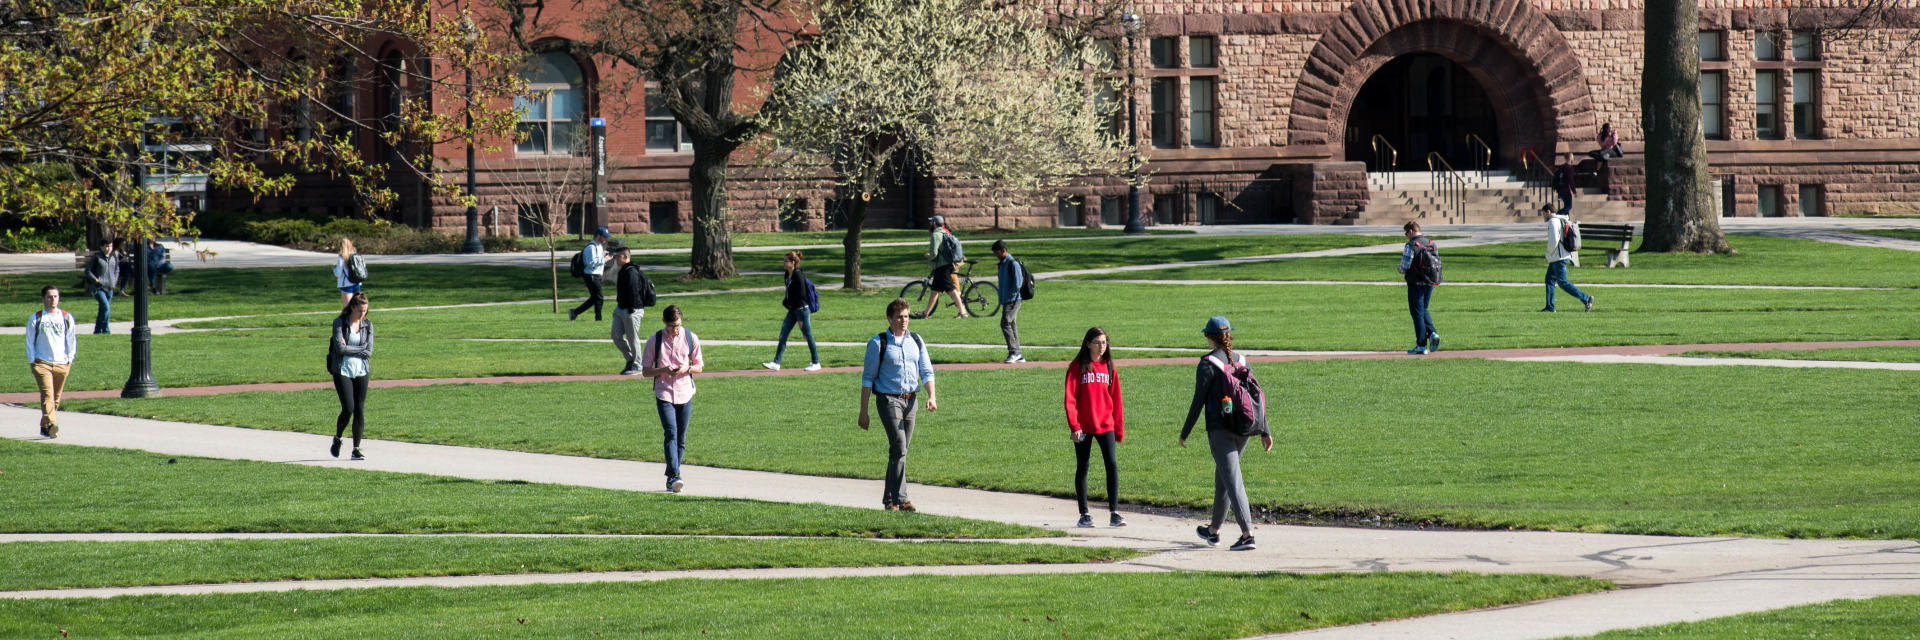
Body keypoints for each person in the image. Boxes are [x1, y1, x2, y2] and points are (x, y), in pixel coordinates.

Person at [1178, 316, 1272, 552]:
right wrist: (1264, 430)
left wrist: (1185, 433)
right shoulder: (1242, 360)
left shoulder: (1207, 364)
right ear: (1229, 336)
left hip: (1221, 431)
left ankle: (1247, 534)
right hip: (1244, 429)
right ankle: (1213, 531)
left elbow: (1197, 401)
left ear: (1209, 337)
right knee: (1223, 478)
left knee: (1232, 480)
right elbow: (1255, 396)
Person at [858, 298, 937, 511]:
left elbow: (927, 371)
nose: (904, 321)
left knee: (899, 451)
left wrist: (932, 396)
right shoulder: (878, 343)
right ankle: (901, 499)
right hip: (888, 400)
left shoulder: (917, 341)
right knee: (899, 447)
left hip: (911, 400)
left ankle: (889, 499)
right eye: (899, 317)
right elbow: (867, 379)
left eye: (906, 316)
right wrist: (863, 411)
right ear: (890, 318)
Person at [1064, 327, 1125, 528]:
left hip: (1106, 424)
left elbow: (1116, 397)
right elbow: (1070, 399)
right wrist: (1074, 426)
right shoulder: (1077, 366)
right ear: (1088, 343)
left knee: (1112, 465)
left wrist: (1119, 427)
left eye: (1104, 342)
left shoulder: (1109, 366)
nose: (1101, 346)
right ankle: (1084, 514)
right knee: (1083, 467)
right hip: (1083, 427)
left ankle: (1114, 513)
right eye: (1098, 342)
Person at [642, 305, 704, 493]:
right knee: (671, 432)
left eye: (677, 325)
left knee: (681, 438)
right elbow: (645, 371)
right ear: (664, 323)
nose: (675, 329)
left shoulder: (690, 338)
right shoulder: (655, 340)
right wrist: (663, 370)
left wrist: (687, 368)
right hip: (664, 392)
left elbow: (700, 365)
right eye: (671, 326)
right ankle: (676, 475)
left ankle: (671, 477)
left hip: (685, 391)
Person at [26, 286, 77, 438]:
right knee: (48, 394)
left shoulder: (66, 317)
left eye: (55, 297)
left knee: (55, 398)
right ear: (43, 299)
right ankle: (53, 424)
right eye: (49, 297)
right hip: (42, 363)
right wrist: (32, 361)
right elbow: (29, 341)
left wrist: (70, 359)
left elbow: (71, 340)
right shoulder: (37, 318)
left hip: (62, 362)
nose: (53, 300)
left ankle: (45, 426)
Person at [328, 292, 373, 461]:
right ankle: (338, 438)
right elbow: (340, 348)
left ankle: (356, 448)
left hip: (361, 370)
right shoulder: (339, 323)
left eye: (365, 311)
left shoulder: (368, 325)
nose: (363, 314)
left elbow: (369, 351)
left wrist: (354, 349)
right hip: (343, 370)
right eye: (360, 311)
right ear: (352, 307)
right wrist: (360, 349)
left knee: (359, 409)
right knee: (348, 408)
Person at [762, 250, 821, 372]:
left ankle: (816, 363)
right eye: (783, 261)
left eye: (786, 261)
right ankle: (776, 363)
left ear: (793, 262)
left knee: (807, 336)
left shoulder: (798, 275)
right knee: (783, 334)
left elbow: (802, 294)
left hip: (801, 310)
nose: (783, 263)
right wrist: (787, 303)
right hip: (793, 310)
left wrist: (797, 312)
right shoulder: (786, 274)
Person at [609, 240, 654, 375]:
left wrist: (630, 309)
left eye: (617, 257)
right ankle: (630, 360)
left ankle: (637, 365)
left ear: (625, 257)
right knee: (616, 336)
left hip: (632, 310)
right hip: (621, 309)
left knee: (632, 338)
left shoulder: (632, 272)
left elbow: (634, 293)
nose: (616, 259)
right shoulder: (623, 270)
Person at [1397, 221, 1440, 355]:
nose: (1407, 236)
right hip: (1429, 282)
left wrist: (1399, 270)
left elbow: (1405, 265)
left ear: (1410, 231)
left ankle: (1421, 345)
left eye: (1406, 233)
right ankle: (1432, 333)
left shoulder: (1411, 245)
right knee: (1423, 309)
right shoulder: (1431, 244)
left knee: (1417, 314)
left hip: (1416, 283)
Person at [1543, 205, 1594, 313]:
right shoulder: (1560, 220)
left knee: (1562, 282)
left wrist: (1548, 253)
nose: (1543, 216)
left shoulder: (1553, 222)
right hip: (1559, 256)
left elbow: (1554, 240)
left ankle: (1586, 299)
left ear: (1548, 211)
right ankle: (1550, 307)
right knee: (1549, 280)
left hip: (1558, 257)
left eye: (1543, 213)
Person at [916, 216, 969, 319]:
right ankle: (926, 313)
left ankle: (963, 312)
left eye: (931, 222)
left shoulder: (936, 234)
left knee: (950, 289)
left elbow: (934, 253)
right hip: (946, 264)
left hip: (943, 266)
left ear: (935, 223)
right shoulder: (945, 232)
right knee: (934, 290)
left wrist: (928, 257)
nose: (930, 224)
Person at [993, 240, 1025, 364]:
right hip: (1006, 299)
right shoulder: (1002, 264)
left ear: (1003, 250)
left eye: (997, 253)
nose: (996, 255)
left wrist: (1010, 295)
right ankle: (1018, 354)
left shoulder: (1013, 263)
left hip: (1013, 299)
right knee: (1011, 325)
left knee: (1005, 323)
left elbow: (1018, 283)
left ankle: (1014, 352)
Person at [569, 227, 612, 322]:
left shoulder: (599, 246)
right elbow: (591, 263)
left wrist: (605, 258)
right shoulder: (591, 248)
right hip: (591, 275)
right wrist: (605, 259)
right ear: (598, 236)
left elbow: (597, 261)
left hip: (596, 275)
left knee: (594, 298)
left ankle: (575, 312)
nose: (606, 239)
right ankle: (598, 319)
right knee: (599, 297)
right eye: (604, 237)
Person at [81, 241, 118, 334]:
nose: (108, 248)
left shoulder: (113, 257)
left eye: (110, 246)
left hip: (110, 287)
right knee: (105, 307)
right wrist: (96, 280)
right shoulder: (97, 257)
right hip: (99, 288)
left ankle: (98, 330)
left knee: (104, 309)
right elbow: (88, 271)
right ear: (101, 247)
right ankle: (106, 330)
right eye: (106, 246)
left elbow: (117, 270)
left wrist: (114, 281)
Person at [333, 238, 361, 307]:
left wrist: (334, 268)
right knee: (357, 307)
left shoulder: (342, 257)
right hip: (357, 282)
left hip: (346, 284)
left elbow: (338, 273)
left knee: (348, 308)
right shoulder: (356, 255)